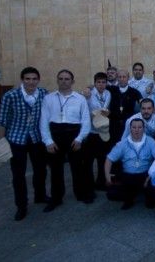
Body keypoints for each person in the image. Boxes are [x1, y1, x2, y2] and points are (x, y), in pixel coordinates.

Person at [0, 67, 49, 221]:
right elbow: (2, 120)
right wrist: (1, 143)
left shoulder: (43, 94)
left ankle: (40, 195)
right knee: (18, 175)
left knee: (40, 170)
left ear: (38, 80)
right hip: (16, 139)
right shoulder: (10, 96)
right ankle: (21, 205)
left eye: (34, 79)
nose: (31, 82)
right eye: (28, 79)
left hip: (36, 138)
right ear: (22, 80)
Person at [40, 69, 91, 212]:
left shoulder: (80, 99)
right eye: (61, 79)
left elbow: (86, 121)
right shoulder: (48, 98)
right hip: (55, 135)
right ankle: (56, 198)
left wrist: (80, 138)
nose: (64, 81)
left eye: (67, 79)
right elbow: (43, 122)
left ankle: (80, 194)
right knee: (55, 169)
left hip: (74, 135)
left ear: (72, 82)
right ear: (57, 80)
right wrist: (48, 141)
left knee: (78, 168)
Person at [105, 118, 155, 210]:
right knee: (111, 194)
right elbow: (109, 159)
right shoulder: (122, 143)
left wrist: (151, 176)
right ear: (130, 128)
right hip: (128, 175)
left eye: (139, 127)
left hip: (145, 174)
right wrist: (107, 177)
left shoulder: (151, 142)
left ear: (143, 128)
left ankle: (148, 197)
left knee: (154, 190)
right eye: (134, 127)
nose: (137, 130)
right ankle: (129, 199)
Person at [83, 72, 112, 191]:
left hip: (102, 131)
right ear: (94, 83)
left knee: (102, 159)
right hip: (91, 132)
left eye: (103, 82)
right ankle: (88, 186)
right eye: (98, 82)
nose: (101, 85)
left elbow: (106, 109)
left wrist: (107, 113)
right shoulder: (88, 94)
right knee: (88, 161)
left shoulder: (108, 94)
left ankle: (100, 182)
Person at [108, 69, 142, 144]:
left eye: (124, 77)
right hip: (113, 124)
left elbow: (142, 102)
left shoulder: (134, 92)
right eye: (120, 77)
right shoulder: (111, 89)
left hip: (128, 124)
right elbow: (98, 86)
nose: (122, 79)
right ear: (117, 78)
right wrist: (88, 88)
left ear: (128, 78)